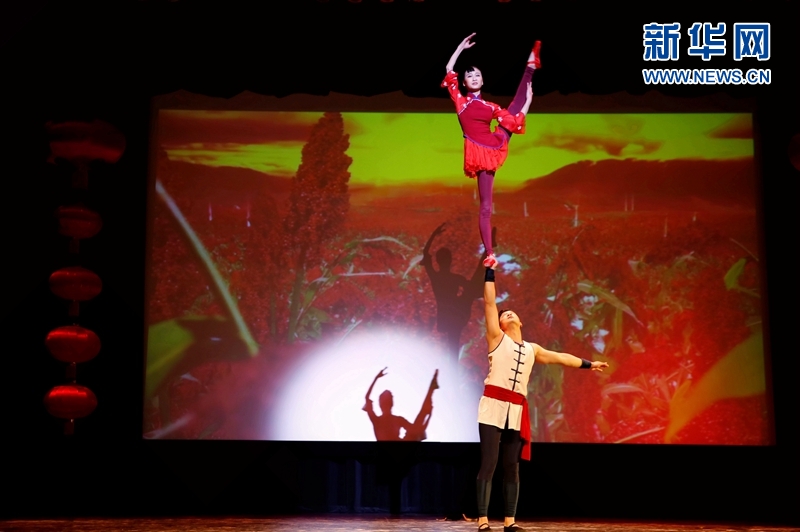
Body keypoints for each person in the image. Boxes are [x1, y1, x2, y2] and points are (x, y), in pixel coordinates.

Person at [476, 268, 608, 531]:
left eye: (511, 312)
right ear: (499, 324)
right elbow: (490, 303)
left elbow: (560, 357)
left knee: (512, 466)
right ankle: (482, 520)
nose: (507, 313)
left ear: (521, 322)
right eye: (503, 314)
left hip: (516, 409)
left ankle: (510, 521)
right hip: (493, 405)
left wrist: (589, 364)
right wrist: (490, 271)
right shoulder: (496, 339)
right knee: (489, 462)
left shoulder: (532, 349)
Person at [442, 33, 540, 270]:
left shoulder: (490, 106)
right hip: (479, 153)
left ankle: (530, 67)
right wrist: (460, 47)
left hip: (494, 144)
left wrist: (528, 102)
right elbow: (449, 69)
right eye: (469, 75)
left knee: (514, 108)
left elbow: (513, 120)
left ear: (483, 80)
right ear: (464, 83)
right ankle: (490, 253)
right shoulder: (460, 101)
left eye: (477, 75)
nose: (473, 77)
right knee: (485, 206)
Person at [363, 367, 439, 441]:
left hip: (400, 446)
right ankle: (431, 389)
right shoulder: (380, 420)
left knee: (416, 427)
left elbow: (416, 430)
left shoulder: (390, 420)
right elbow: (416, 430)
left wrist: (376, 378)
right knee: (417, 426)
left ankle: (431, 389)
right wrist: (376, 378)